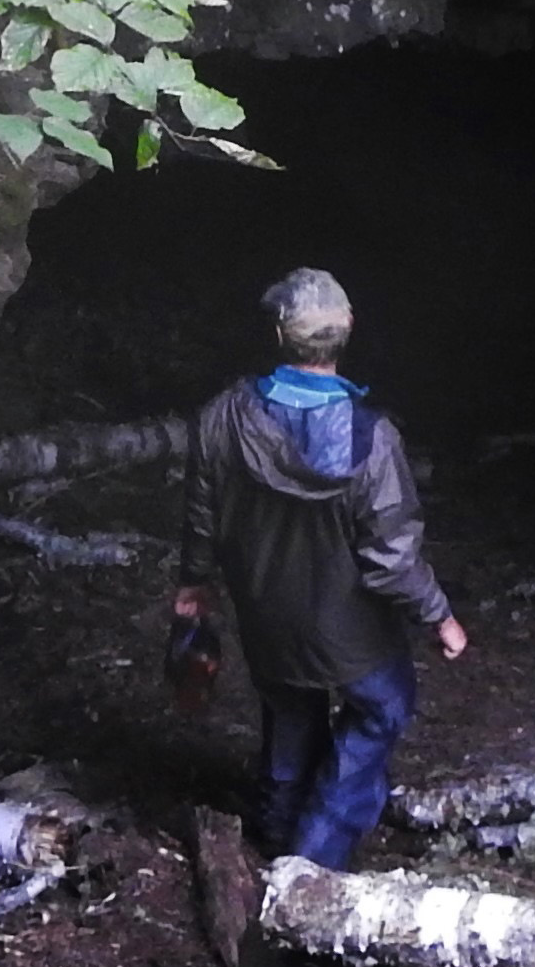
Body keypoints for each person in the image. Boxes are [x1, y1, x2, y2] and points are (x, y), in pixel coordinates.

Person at [174, 268, 467, 868]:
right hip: (352, 631)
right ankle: (313, 858)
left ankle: (276, 831)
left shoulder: (222, 418)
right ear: (348, 329)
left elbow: (202, 514)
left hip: (268, 616)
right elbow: (391, 560)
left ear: (280, 332)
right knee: (381, 709)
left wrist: (195, 583)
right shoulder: (373, 440)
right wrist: (439, 616)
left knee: (288, 711)